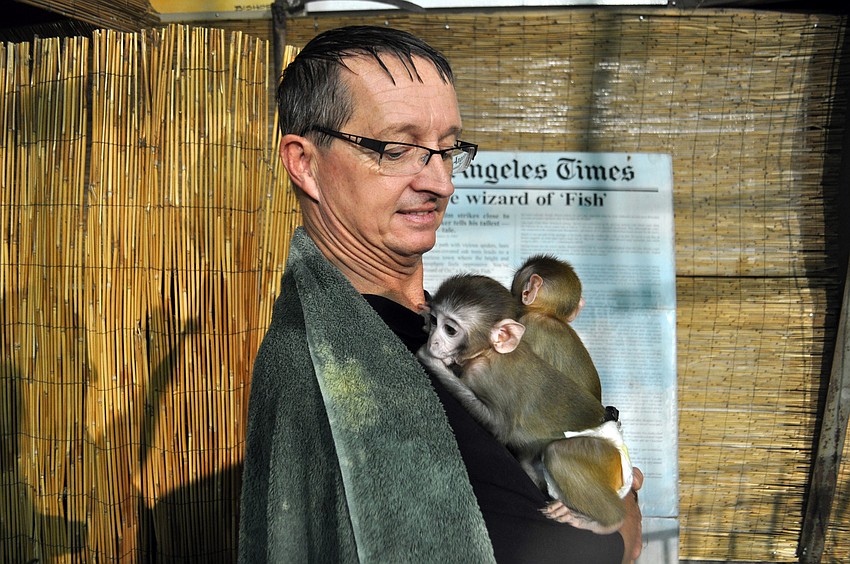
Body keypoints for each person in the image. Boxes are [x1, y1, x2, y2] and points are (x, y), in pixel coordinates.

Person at [237, 25, 643, 563]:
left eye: (448, 150)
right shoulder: (353, 367)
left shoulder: (426, 323)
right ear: (305, 163)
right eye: (398, 148)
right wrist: (627, 502)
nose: (441, 182)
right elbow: (586, 553)